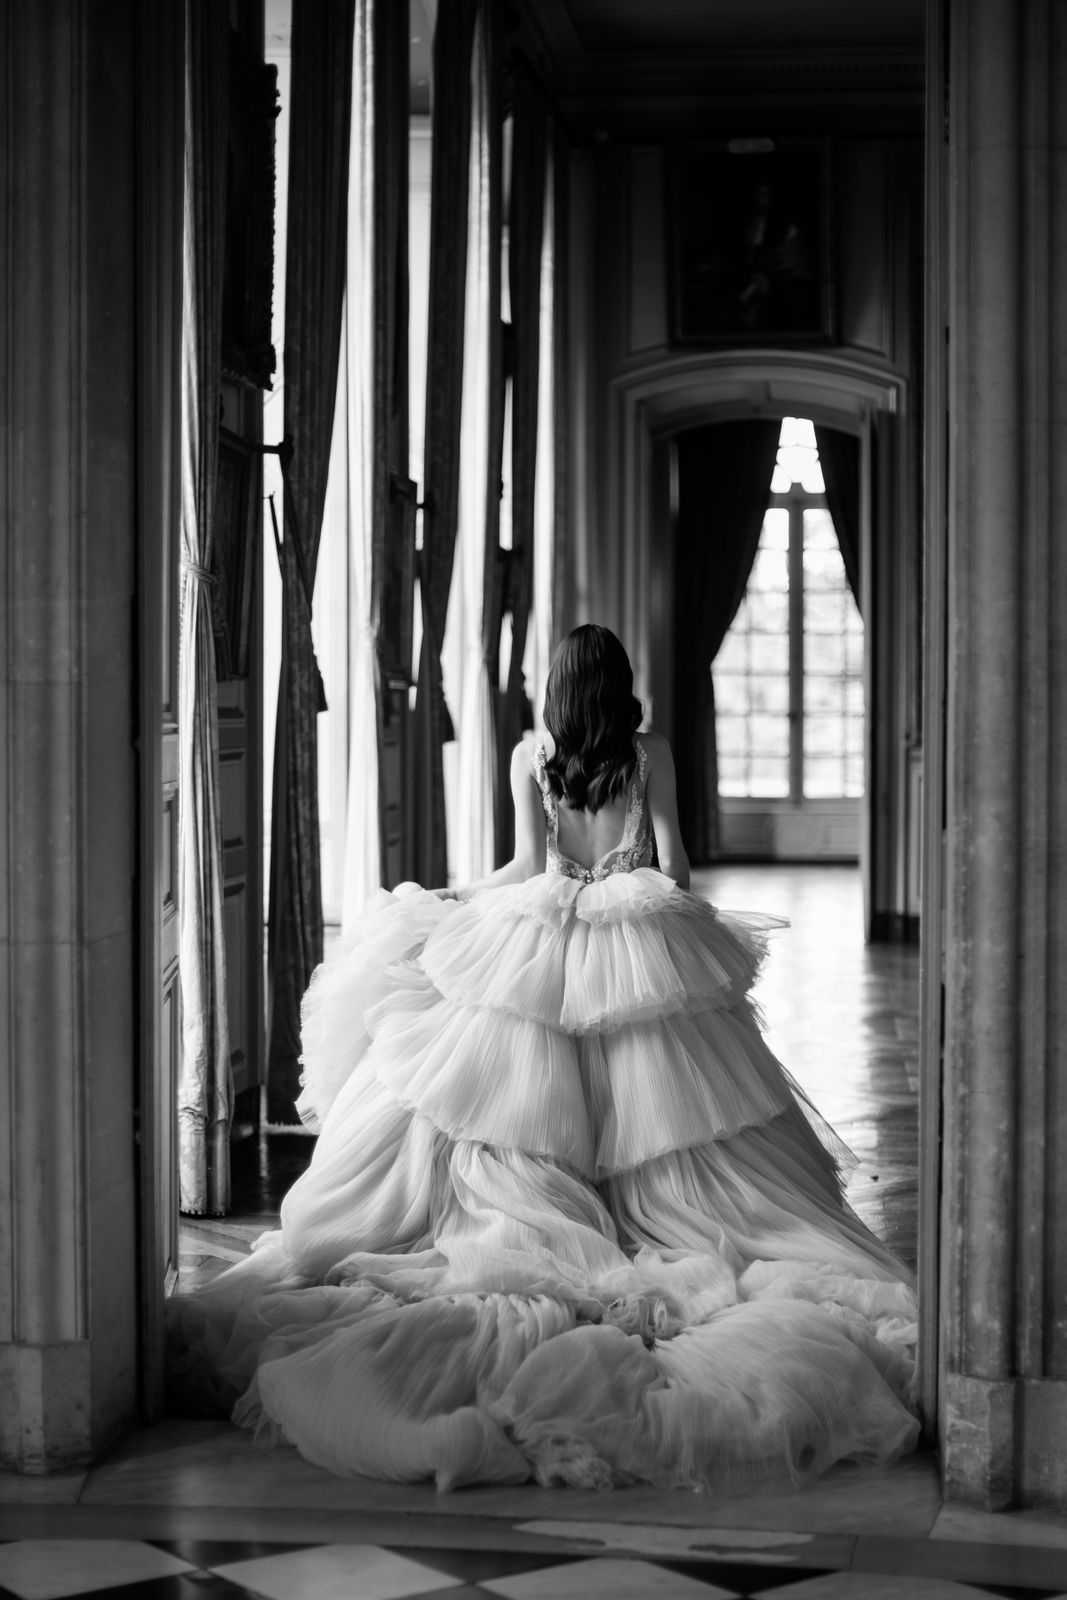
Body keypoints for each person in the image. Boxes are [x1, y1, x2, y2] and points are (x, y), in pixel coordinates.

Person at [168, 623, 919, 1493]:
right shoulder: (648, 753)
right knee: (668, 1108)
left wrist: (464, 895)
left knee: (519, 1101)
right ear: (618, 686)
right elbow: (672, 865)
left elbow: (527, 864)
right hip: (634, 936)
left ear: (559, 691)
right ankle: (645, 1216)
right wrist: (650, 914)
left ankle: (562, 1215)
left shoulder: (536, 753)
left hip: (546, 930)